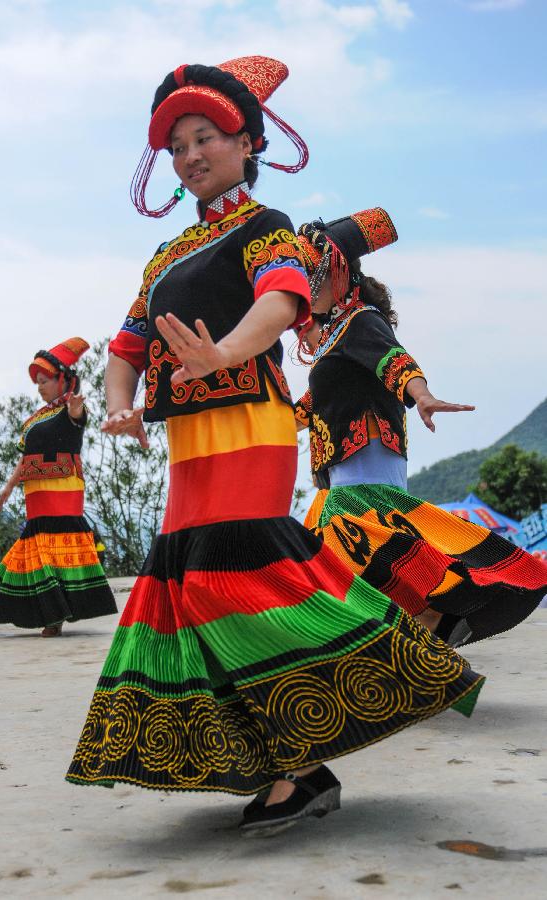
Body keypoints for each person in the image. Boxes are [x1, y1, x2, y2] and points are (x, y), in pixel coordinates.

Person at [65, 57, 484, 835]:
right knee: (189, 589)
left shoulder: (269, 228)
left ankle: (389, 682)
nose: (190, 154)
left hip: (248, 421)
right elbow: (125, 347)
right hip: (188, 438)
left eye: (206, 137)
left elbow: (281, 301)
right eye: (178, 144)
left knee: (236, 576)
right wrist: (119, 408)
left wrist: (224, 352)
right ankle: (292, 768)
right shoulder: (163, 258)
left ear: (245, 142)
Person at [294, 209, 547, 647]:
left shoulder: (361, 321)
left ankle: (432, 616)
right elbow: (311, 407)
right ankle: (419, 627)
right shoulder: (334, 337)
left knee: (358, 537)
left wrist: (421, 394)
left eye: (311, 273)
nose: (304, 285)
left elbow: (395, 360)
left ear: (337, 273)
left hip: (366, 455)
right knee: (342, 547)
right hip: (341, 468)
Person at [0, 338, 117, 637]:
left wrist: (75, 407)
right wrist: (8, 487)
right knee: (38, 546)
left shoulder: (71, 410)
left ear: (62, 380)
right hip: (36, 492)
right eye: (37, 382)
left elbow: (77, 419)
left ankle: (55, 617)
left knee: (56, 547)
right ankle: (49, 612)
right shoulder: (34, 420)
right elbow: (25, 458)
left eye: (45, 380)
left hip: (63, 492)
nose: (39, 387)